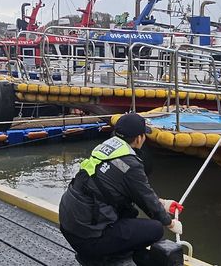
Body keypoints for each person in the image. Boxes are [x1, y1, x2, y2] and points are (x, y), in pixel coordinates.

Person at [59, 113, 183, 264]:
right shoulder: (131, 164)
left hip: (70, 228)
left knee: (129, 212)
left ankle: (100, 252)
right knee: (156, 229)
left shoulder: (105, 149)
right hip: (88, 239)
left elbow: (133, 192)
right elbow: (148, 201)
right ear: (139, 138)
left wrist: (163, 203)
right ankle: (101, 257)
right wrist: (171, 223)